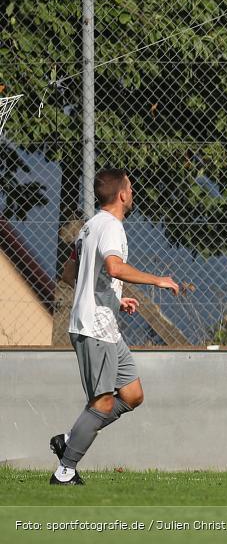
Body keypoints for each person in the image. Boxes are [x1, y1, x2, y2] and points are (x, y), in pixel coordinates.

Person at [50, 169, 180, 485]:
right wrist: (157, 280)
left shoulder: (88, 227)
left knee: (132, 395)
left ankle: (70, 439)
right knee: (103, 402)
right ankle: (65, 471)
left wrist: (114, 300)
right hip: (94, 329)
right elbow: (114, 267)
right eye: (130, 187)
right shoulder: (111, 226)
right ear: (122, 194)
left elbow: (69, 274)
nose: (132, 192)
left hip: (104, 326)